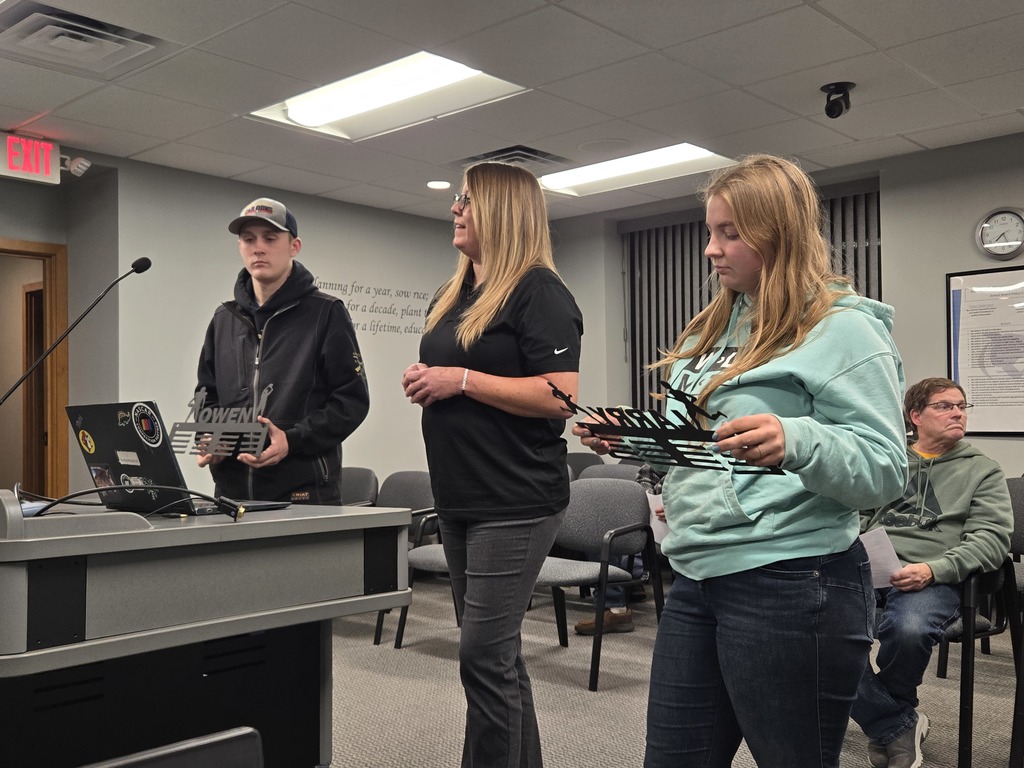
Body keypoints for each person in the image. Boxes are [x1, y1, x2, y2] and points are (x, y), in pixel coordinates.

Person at [574, 154, 909, 768]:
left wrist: (800, 439)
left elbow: (886, 468)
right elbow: (705, 449)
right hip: (697, 573)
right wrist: (636, 438)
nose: (711, 249)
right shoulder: (715, 329)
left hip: (791, 580)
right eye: (711, 232)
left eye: (730, 233)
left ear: (779, 234)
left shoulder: (842, 330)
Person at [402, 161, 583, 768]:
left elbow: (559, 396)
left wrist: (464, 380)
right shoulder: (452, 294)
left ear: (504, 212)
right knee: (493, 659)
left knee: (482, 658)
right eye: (457, 198)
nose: (455, 208)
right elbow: (455, 376)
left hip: (516, 500)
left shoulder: (541, 292)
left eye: (468, 200)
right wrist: (429, 379)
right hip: (459, 496)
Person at [852, 377, 1012, 768]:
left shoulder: (983, 471)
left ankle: (889, 719)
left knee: (908, 629)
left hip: (933, 577)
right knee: (811, 627)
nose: (958, 412)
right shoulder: (890, 463)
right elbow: (855, 518)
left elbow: (992, 541)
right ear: (916, 416)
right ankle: (897, 722)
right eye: (945, 406)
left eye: (961, 406)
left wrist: (932, 568)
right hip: (870, 570)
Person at [195, 197, 369, 503]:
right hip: (232, 498)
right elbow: (207, 394)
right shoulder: (224, 318)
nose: (258, 247)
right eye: (248, 239)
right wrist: (211, 437)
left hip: (304, 495)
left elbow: (351, 401)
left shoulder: (326, 313)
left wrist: (292, 440)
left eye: (270, 238)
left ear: (294, 246)